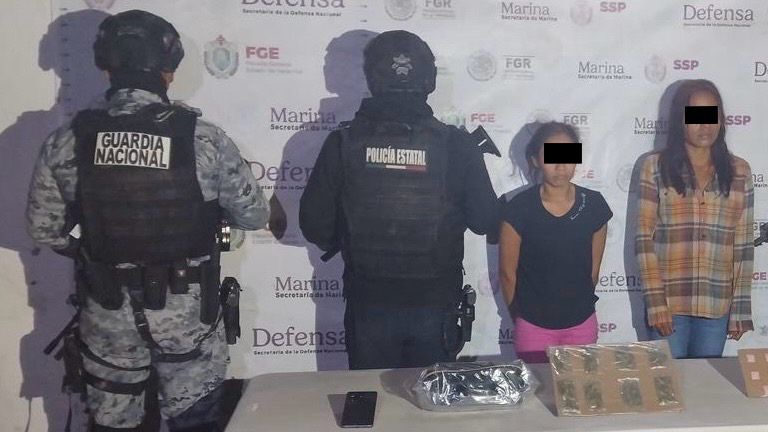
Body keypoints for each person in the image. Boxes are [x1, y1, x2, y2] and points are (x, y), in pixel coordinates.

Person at [25, 10, 268, 431]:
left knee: (113, 425)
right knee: (196, 423)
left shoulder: (68, 140)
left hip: (107, 314)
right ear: (168, 71)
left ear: (105, 67)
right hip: (188, 317)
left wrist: (91, 252)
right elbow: (254, 214)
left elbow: (43, 228)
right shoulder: (203, 138)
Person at [299, 30, 499, 369]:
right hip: (435, 303)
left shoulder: (343, 142)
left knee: (372, 398)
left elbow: (315, 226)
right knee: (430, 398)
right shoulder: (456, 144)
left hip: (369, 302)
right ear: (429, 79)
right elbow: (485, 220)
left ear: (371, 77)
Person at [636, 79, 755, 359]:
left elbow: (743, 245)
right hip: (669, 306)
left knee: (706, 383)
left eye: (711, 115)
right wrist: (656, 303)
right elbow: (644, 239)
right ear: (680, 120)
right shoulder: (655, 167)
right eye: (696, 116)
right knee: (670, 382)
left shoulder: (739, 171)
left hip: (716, 307)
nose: (705, 126)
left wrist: (740, 309)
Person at [499, 122, 611, 363]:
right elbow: (507, 274)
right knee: (538, 387)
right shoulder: (518, 209)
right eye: (552, 156)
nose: (561, 165)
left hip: (581, 323)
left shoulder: (594, 205)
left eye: (567, 155)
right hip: (533, 327)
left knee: (579, 387)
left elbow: (593, 272)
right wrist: (522, 318)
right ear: (535, 160)